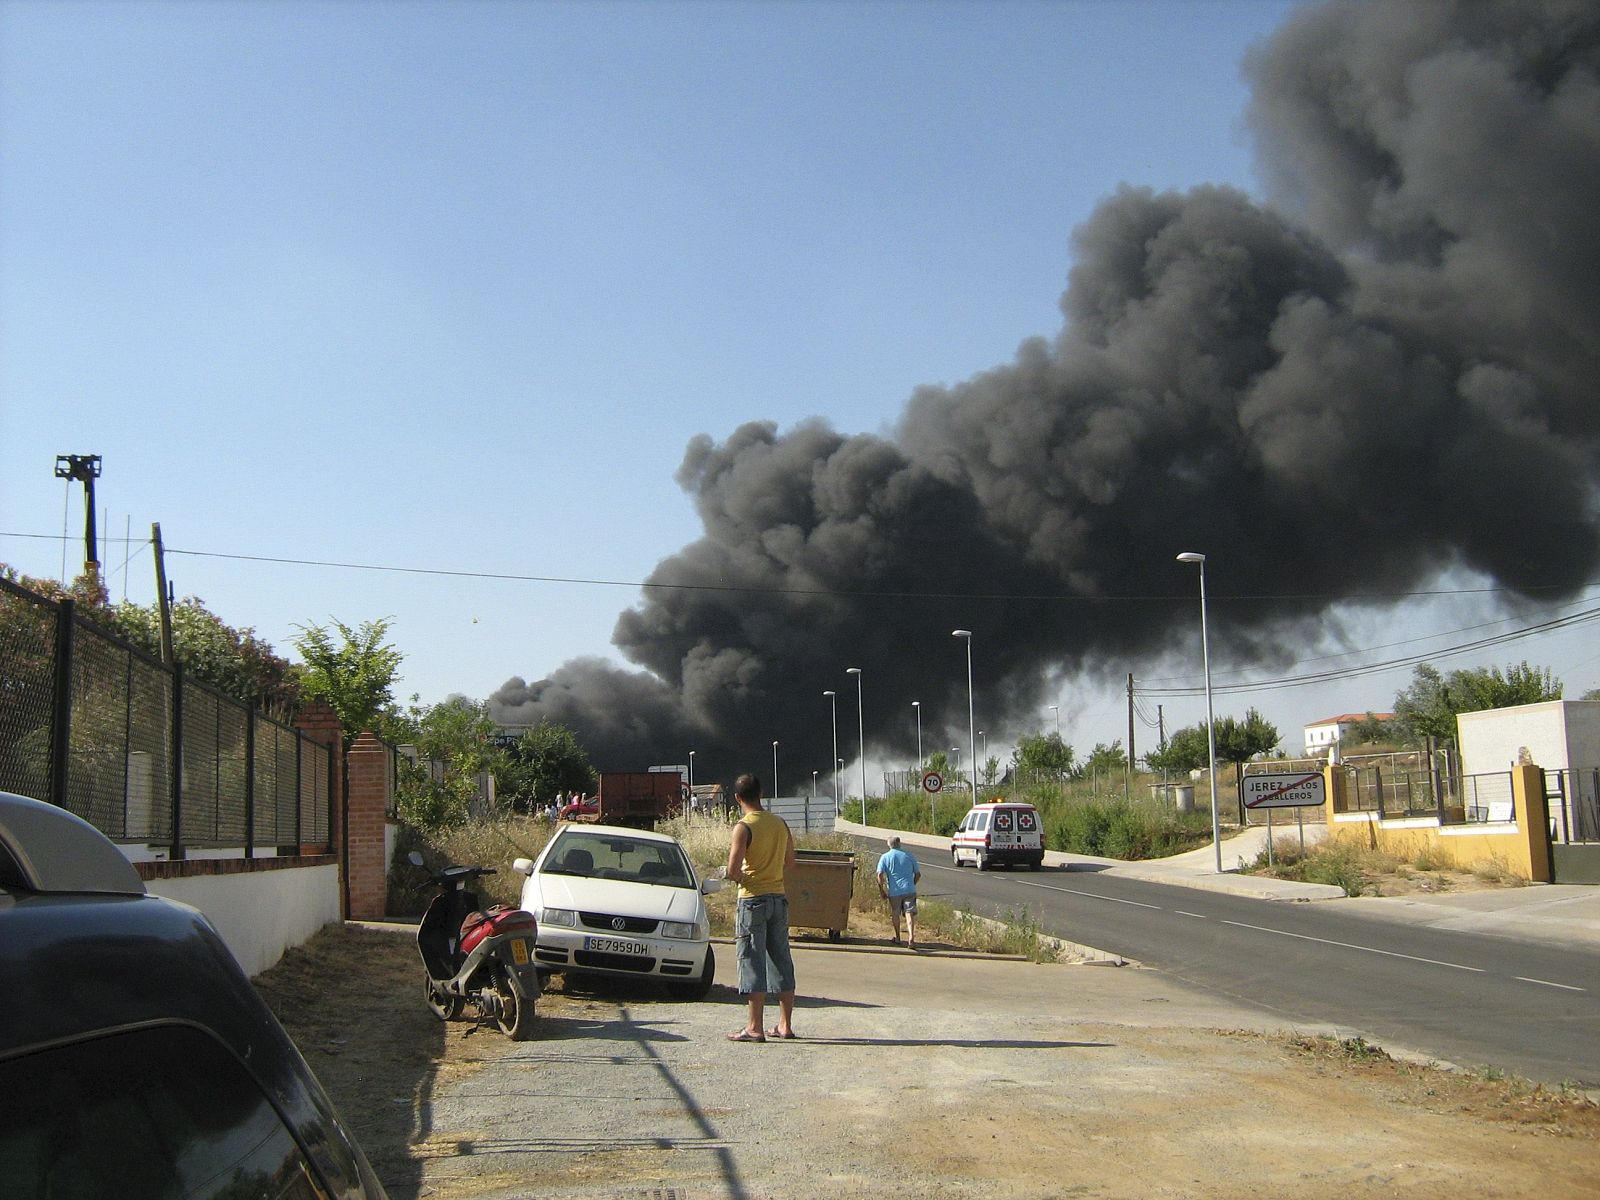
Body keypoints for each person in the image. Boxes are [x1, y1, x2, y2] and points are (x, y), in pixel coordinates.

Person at [724, 772, 797, 1042]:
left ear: (738, 798)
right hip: (778, 898)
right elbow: (790, 862)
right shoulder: (780, 824)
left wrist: (744, 877)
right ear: (761, 794)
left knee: (752, 959)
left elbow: (733, 870)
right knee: (781, 958)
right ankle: (785, 1025)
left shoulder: (743, 827)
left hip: (752, 899)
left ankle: (754, 1026)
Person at [876, 836, 922, 949]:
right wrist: (912, 884)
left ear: (889, 844)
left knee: (895, 912)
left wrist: (882, 890)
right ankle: (911, 937)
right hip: (909, 889)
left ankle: (898, 937)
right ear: (899, 843)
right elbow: (918, 874)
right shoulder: (909, 856)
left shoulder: (885, 857)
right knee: (909, 913)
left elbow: (879, 874)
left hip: (894, 891)